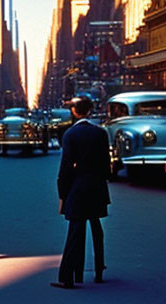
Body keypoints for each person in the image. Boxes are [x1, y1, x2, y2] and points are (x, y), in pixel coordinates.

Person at [52, 96, 110, 289]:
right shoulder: (101, 133)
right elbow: (106, 165)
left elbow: (66, 168)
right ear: (90, 112)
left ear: (75, 112)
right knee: (96, 229)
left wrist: (62, 194)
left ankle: (68, 277)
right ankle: (99, 271)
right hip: (97, 188)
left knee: (75, 233)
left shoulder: (70, 134)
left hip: (77, 189)